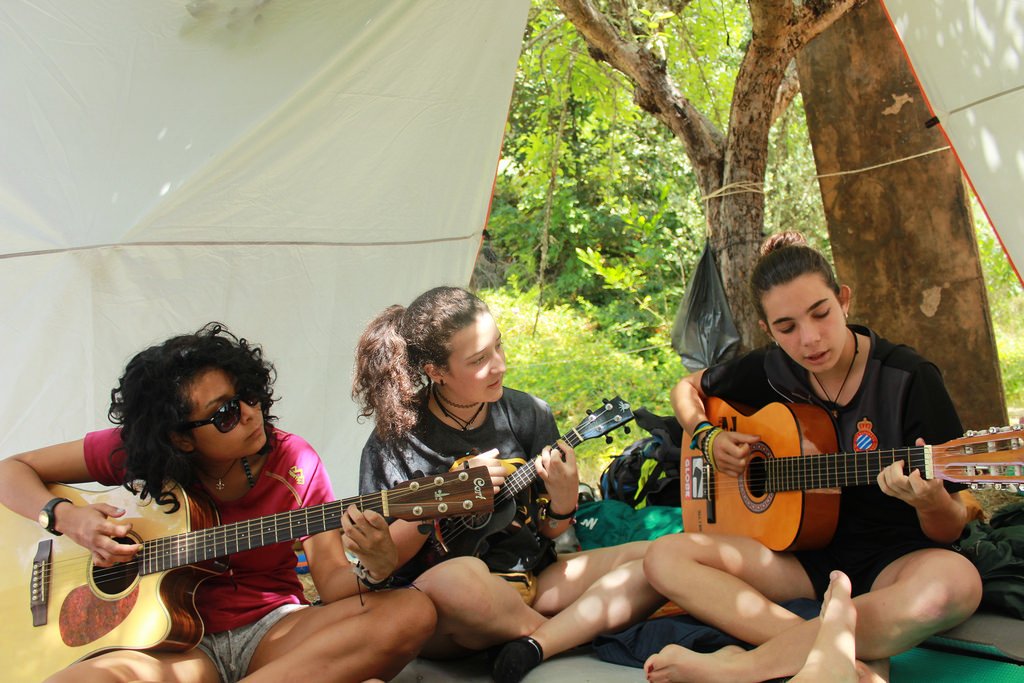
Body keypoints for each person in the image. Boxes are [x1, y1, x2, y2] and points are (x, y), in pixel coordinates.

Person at [0, 323, 436, 683]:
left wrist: (375, 567)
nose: (250, 412)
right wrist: (65, 516)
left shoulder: (294, 460)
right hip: (167, 652)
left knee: (411, 610)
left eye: (247, 393)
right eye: (224, 413)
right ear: (179, 438)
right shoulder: (140, 450)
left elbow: (333, 585)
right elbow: (11, 469)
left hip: (275, 635)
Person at [642, 232, 983, 682]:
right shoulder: (770, 368)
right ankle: (836, 655)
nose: (810, 339)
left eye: (820, 314)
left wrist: (930, 502)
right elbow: (686, 387)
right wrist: (705, 437)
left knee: (958, 585)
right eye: (786, 327)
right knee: (663, 557)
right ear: (767, 329)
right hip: (802, 556)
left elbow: (951, 524)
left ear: (843, 300)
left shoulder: (909, 378)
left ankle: (745, 666)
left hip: (896, 559)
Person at [352, 286, 665, 683]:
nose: (499, 365)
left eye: (498, 347)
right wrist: (446, 496)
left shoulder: (528, 414)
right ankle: (560, 636)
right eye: (479, 360)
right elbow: (383, 563)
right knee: (458, 578)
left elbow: (550, 532)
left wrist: (565, 500)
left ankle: (533, 642)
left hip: (530, 582)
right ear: (436, 371)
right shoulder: (395, 441)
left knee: (658, 557)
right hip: (446, 609)